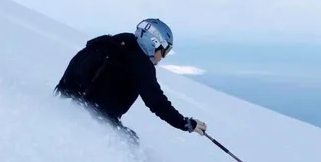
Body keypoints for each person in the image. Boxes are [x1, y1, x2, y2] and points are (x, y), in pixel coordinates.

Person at [54, 18, 207, 141]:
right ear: (154, 43)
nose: (162, 57)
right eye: (164, 50)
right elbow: (156, 101)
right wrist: (184, 123)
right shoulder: (140, 62)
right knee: (130, 142)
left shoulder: (114, 43)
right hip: (94, 112)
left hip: (66, 98)